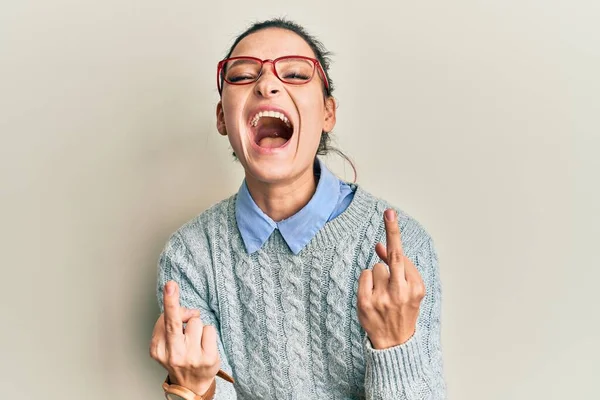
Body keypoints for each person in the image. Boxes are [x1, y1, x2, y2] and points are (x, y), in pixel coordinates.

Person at [149, 18, 446, 400]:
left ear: (327, 113)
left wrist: (395, 346)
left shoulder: (402, 251)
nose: (267, 84)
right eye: (242, 76)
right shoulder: (189, 258)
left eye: (293, 73)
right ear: (223, 118)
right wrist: (195, 390)